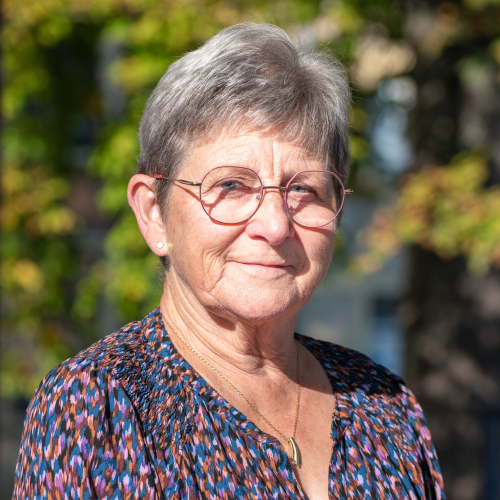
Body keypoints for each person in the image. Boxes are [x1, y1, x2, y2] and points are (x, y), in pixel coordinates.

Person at [12, 23, 445, 500]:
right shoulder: (98, 407)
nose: (276, 225)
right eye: (232, 186)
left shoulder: (383, 404)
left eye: (303, 189)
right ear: (154, 214)